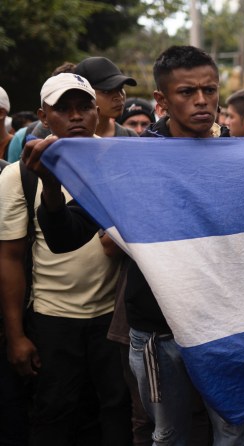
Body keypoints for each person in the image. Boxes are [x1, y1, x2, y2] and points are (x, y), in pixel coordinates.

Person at [23, 46, 244, 446]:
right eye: (187, 92)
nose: (201, 101)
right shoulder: (129, 162)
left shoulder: (238, 158)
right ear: (161, 100)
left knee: (233, 429)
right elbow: (64, 238)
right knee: (168, 434)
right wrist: (51, 187)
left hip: (224, 323)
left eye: (210, 90)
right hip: (160, 332)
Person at [0, 72, 131, 446]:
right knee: (55, 414)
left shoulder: (118, 164)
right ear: (44, 115)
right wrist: (16, 336)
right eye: (63, 108)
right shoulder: (19, 175)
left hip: (112, 320)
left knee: (116, 413)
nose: (75, 116)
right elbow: (9, 257)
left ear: (97, 111)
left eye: (83, 106)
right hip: (53, 321)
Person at [75, 57, 139, 137]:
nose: (119, 96)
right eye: (106, 91)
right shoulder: (61, 137)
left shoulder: (130, 137)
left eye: (121, 88)